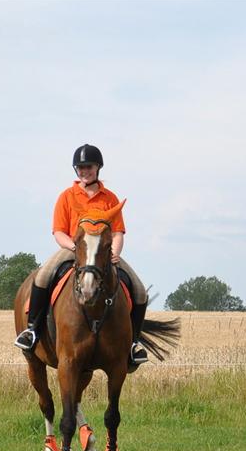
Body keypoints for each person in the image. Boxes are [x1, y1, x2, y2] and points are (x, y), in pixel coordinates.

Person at [14, 144, 149, 367]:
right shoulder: (66, 197)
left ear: (98, 168)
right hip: (73, 249)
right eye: (80, 167)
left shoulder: (110, 198)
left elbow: (117, 232)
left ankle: (133, 344)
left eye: (89, 167)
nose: (84, 171)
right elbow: (58, 231)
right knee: (43, 276)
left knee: (139, 289)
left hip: (103, 254)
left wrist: (114, 252)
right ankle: (31, 331)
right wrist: (76, 249)